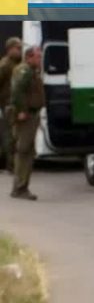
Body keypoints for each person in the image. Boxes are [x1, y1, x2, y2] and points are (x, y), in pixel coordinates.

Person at [9, 46, 44, 201]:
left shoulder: (30, 70)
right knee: (24, 151)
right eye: (38, 57)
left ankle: (20, 187)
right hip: (27, 116)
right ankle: (20, 188)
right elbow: (17, 90)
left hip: (30, 114)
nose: (40, 60)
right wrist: (22, 110)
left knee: (26, 150)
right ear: (29, 57)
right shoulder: (25, 71)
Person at [0, 37, 23, 173]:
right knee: (10, 135)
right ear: (10, 49)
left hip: (16, 103)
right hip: (8, 104)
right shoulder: (5, 65)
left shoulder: (18, 63)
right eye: (18, 48)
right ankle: (11, 164)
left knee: (16, 135)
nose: (20, 51)